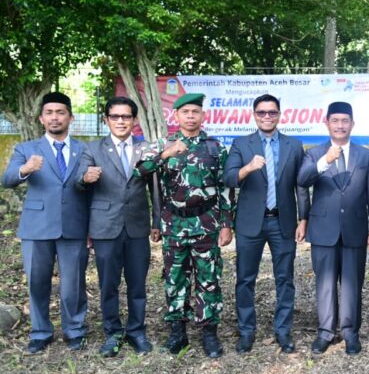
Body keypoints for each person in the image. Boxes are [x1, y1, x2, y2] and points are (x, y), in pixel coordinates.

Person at [134, 93, 235, 358]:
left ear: (203, 116)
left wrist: (226, 224)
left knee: (208, 278)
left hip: (206, 223)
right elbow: (139, 171)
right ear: (175, 116)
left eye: (195, 112)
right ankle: (178, 332)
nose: (190, 116)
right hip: (174, 224)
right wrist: (166, 154)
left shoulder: (215, 147)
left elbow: (225, 188)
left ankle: (209, 332)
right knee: (175, 278)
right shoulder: (162, 145)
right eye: (185, 112)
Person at [2, 92, 90, 353]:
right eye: (49, 112)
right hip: (37, 226)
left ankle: (74, 330)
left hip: (74, 224)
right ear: (41, 118)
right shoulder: (26, 149)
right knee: (37, 281)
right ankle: (40, 332)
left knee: (73, 283)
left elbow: (90, 188)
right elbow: (7, 179)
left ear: (70, 117)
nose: (55, 117)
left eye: (60, 112)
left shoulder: (84, 149)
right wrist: (25, 169)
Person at [223, 93, 310, 354]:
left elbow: (301, 186)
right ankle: (246, 331)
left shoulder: (294, 145)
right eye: (262, 112)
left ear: (279, 115)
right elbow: (228, 179)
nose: (267, 117)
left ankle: (283, 331)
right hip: (250, 223)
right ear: (254, 115)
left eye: (272, 112)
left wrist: (303, 218)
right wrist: (248, 168)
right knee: (245, 279)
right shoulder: (242, 144)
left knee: (285, 278)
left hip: (282, 222)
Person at [76, 97, 161, 357]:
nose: (121, 121)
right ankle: (112, 331)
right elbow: (79, 184)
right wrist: (85, 178)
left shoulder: (145, 149)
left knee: (137, 284)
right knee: (108, 284)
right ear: (106, 120)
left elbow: (155, 189)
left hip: (136, 227)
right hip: (104, 227)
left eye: (126, 117)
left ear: (134, 120)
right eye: (115, 117)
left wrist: (156, 222)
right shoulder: (92, 149)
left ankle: (136, 331)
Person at [297, 102, 369, 355]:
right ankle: (325, 332)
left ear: (352, 124)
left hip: (355, 227)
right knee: (324, 282)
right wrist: (325, 161)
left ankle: (349, 332)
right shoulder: (314, 153)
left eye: (345, 121)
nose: (340, 125)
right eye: (336, 121)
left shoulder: (365, 155)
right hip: (324, 227)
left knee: (353, 282)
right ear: (327, 123)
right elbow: (302, 181)